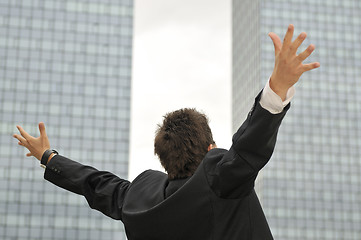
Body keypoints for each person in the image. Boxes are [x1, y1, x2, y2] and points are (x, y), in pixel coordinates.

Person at [13, 24, 320, 240]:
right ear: (212, 149)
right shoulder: (221, 179)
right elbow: (249, 144)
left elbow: (94, 184)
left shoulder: (140, 199)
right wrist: (278, 85)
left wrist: (48, 157)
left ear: (164, 160)